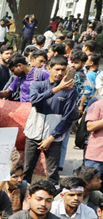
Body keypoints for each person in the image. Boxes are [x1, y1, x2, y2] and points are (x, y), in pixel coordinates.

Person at [23, 56, 78, 184]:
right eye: (57, 69)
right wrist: (58, 89)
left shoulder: (70, 91)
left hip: (54, 138)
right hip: (33, 134)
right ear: (49, 69)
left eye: (63, 70)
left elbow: (68, 118)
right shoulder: (37, 85)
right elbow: (34, 100)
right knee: (27, 170)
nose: (60, 73)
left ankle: (51, 200)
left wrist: (51, 138)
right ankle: (24, 199)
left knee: (53, 175)